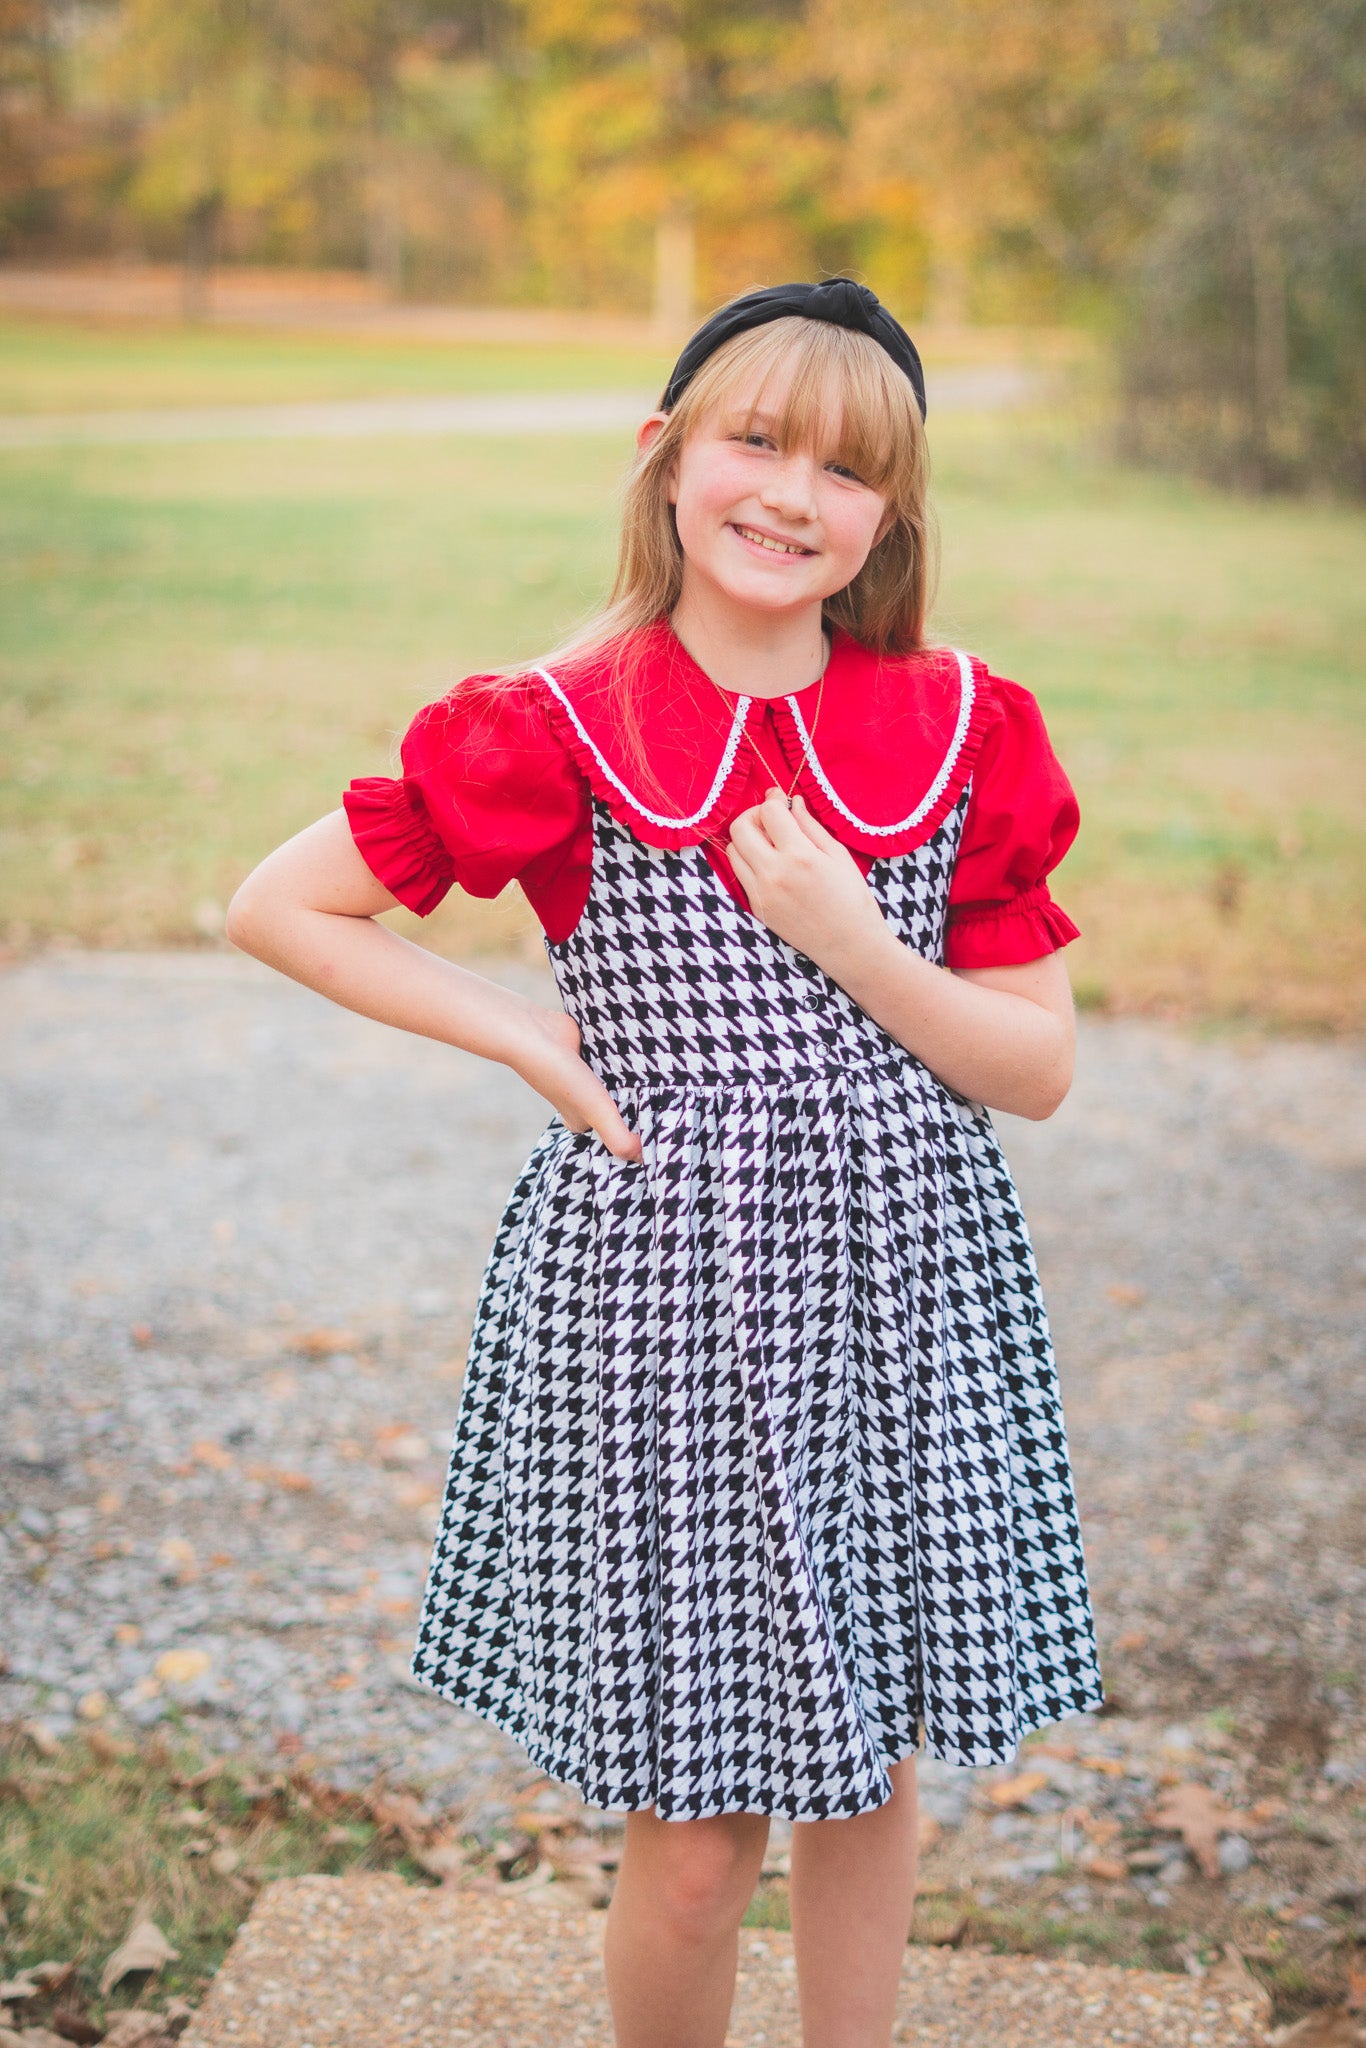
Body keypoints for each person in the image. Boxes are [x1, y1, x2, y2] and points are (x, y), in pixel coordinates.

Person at [227, 277, 1103, 2048]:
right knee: (696, 1835)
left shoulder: (961, 721)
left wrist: (850, 940)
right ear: (666, 455)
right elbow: (281, 906)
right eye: (755, 442)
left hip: (899, 1286)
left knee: (870, 1761)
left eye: (844, 469)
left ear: (889, 515)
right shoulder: (556, 720)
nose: (790, 495)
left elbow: (1035, 1067)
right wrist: (529, 1039)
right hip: (666, 1296)